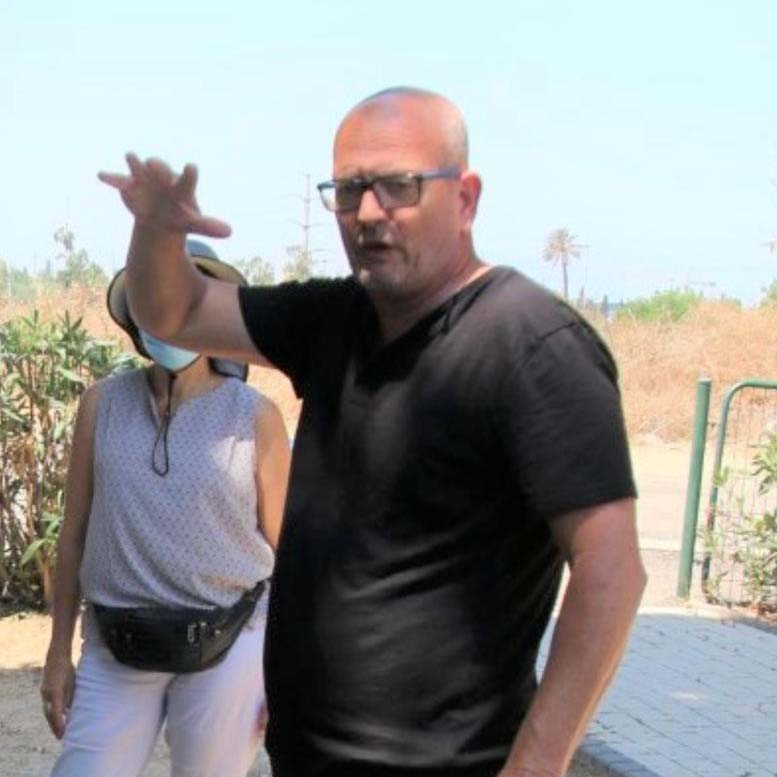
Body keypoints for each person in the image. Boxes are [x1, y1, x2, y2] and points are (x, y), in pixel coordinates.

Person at [98, 87, 647, 777]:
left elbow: (611, 571)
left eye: (398, 187)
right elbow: (173, 312)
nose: (367, 213)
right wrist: (155, 230)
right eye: (350, 190)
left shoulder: (533, 346)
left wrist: (535, 766)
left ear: (465, 198)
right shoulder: (333, 319)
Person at [40, 239, 291, 777]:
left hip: (230, 640)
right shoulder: (102, 405)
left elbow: (290, 552)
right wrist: (59, 652)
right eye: (153, 301)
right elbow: (74, 534)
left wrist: (288, 669)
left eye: (184, 300)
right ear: (136, 318)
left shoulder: (255, 417)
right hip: (117, 642)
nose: (168, 315)